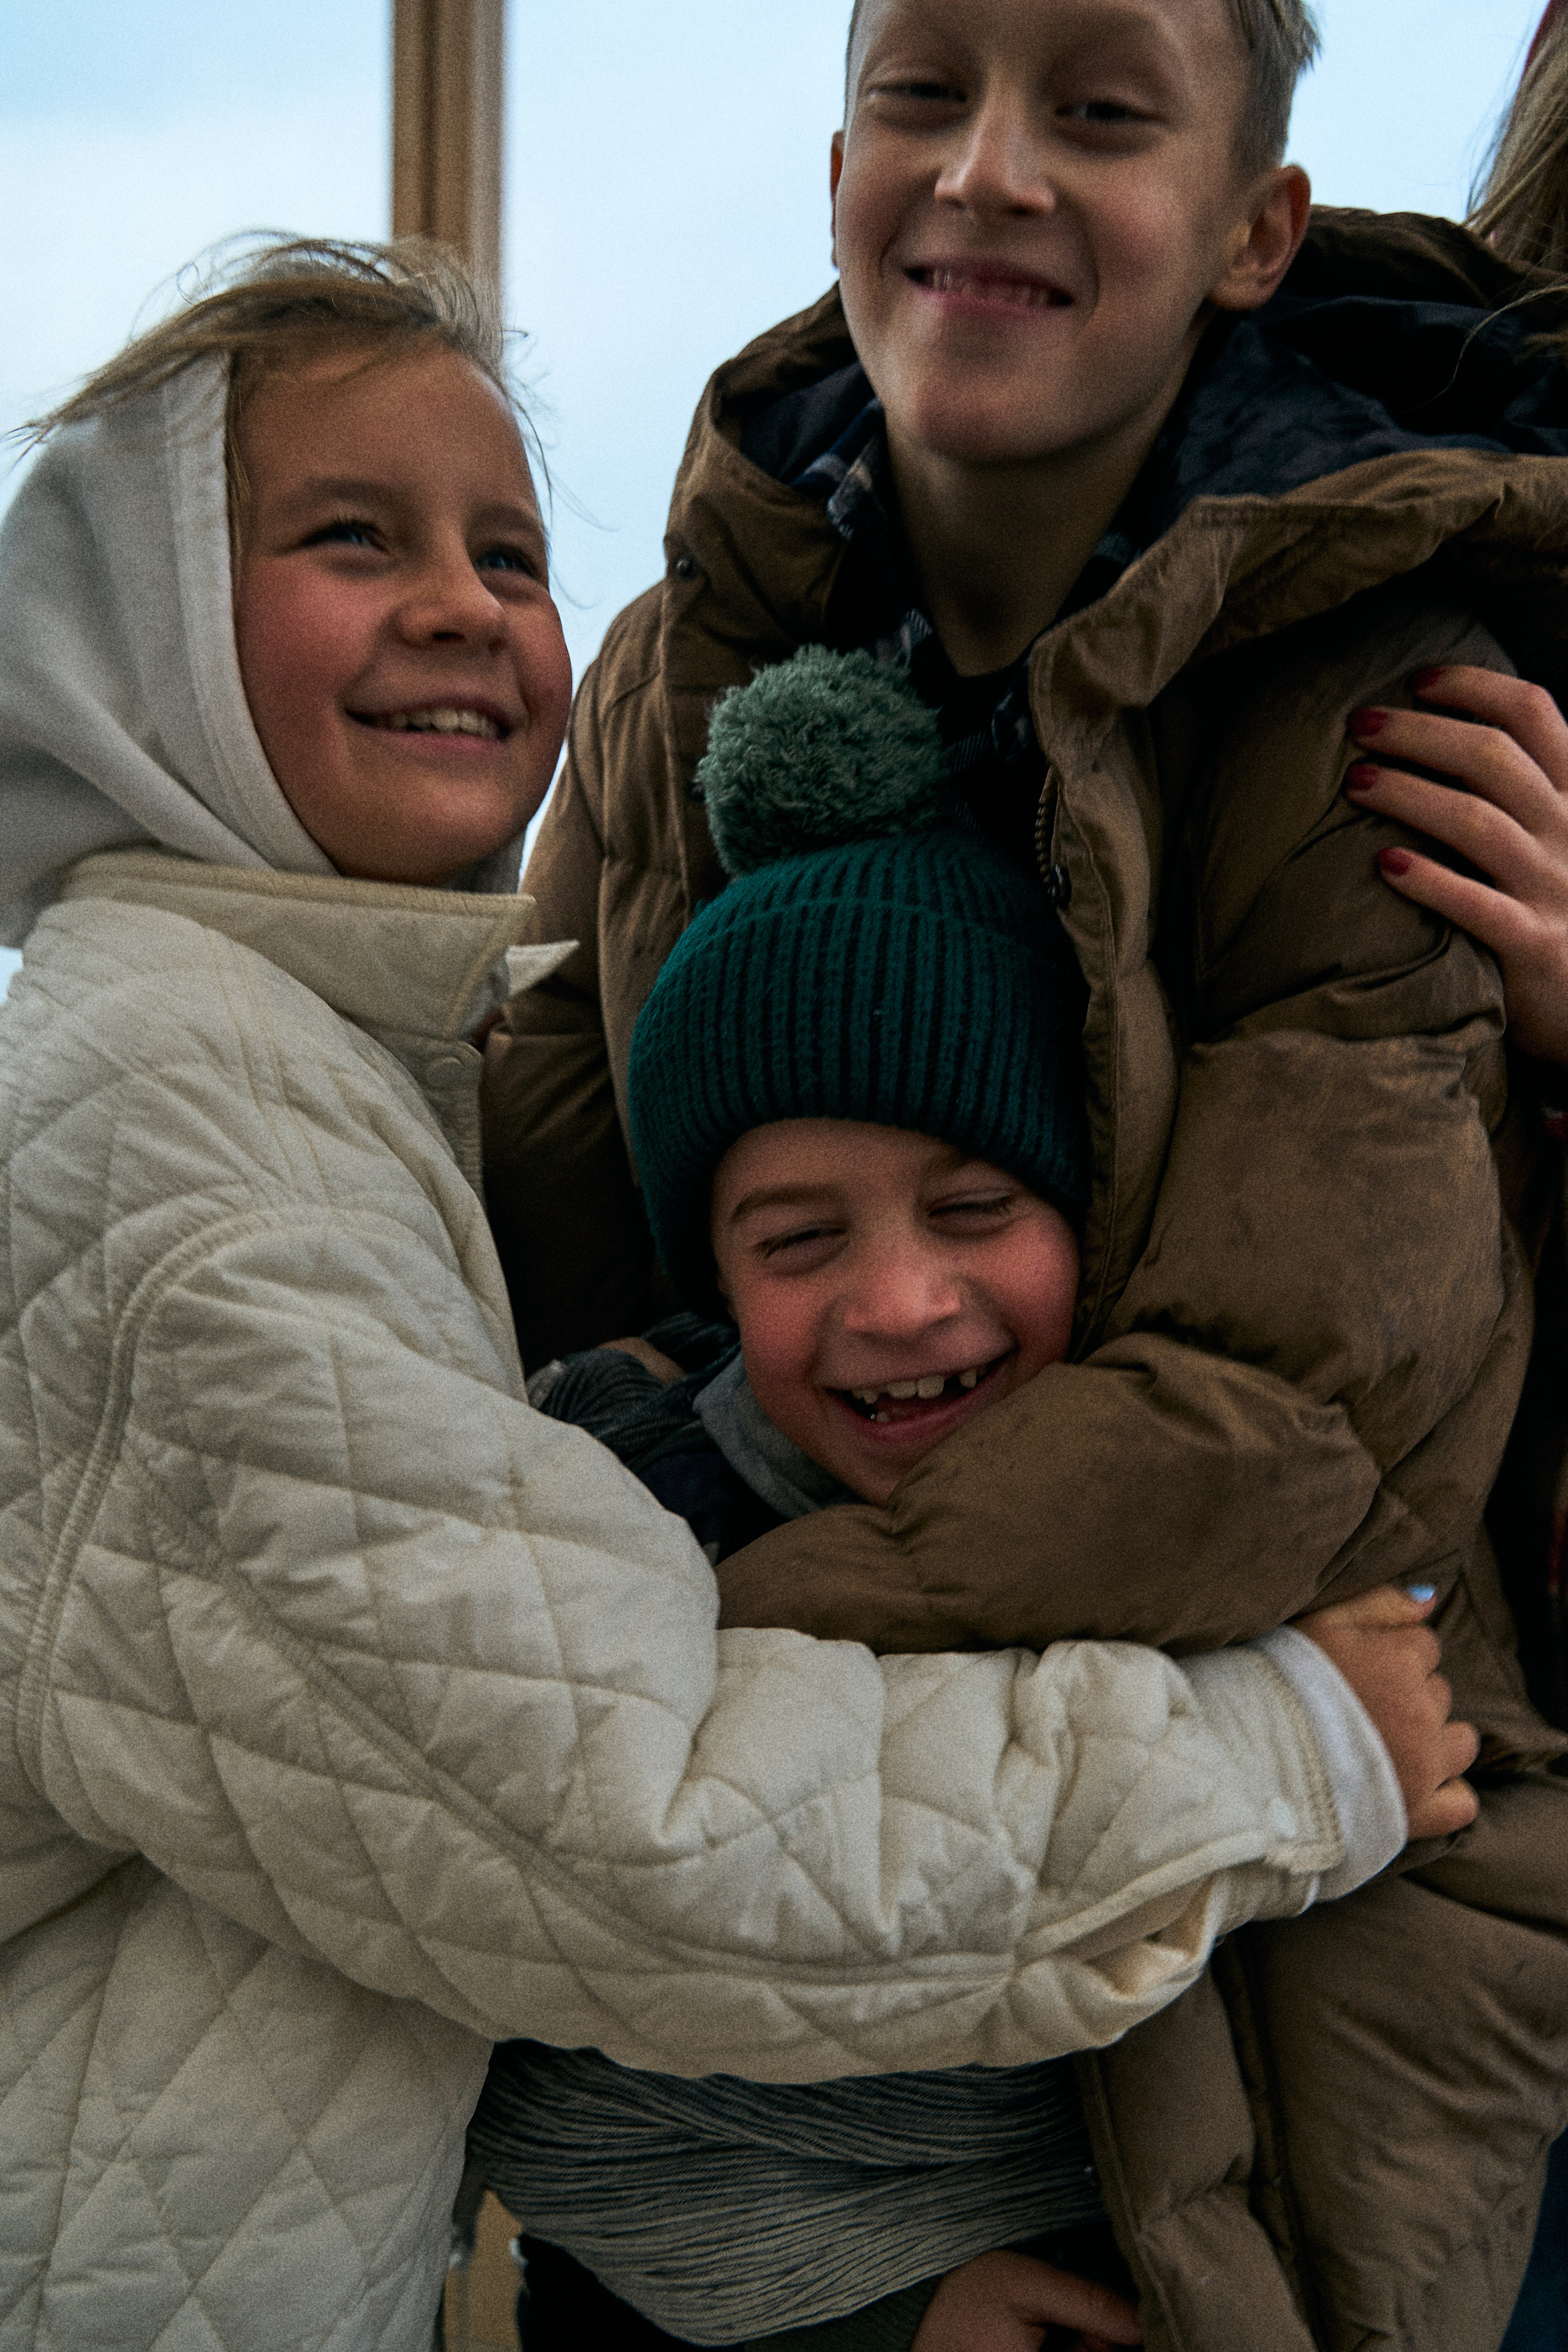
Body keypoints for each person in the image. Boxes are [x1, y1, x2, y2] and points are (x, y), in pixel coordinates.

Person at [0, 238, 1452, 2352]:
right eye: (352, 536)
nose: (463, 604)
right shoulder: (178, 1132)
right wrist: (1276, 1754)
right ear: (138, 627)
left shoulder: (299, 1072)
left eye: (509, 550)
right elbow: (615, 1821)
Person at [480, 1, 1568, 2344]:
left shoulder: (1387, 698)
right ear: (835, 164)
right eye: (923, 91)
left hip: (1293, 1918)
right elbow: (533, 1237)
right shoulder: (680, 667)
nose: (989, 167)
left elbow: (1297, 1431)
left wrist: (623, 1684)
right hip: (767, 2025)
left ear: (1256, 229)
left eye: (1099, 109)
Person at [469, 647, 1474, 2352]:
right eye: (799, 1239)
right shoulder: (621, 1509)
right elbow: (525, 2069)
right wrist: (877, 2316)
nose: (900, 1303)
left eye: (976, 1207)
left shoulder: (1216, 1486)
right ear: (710, 1266)